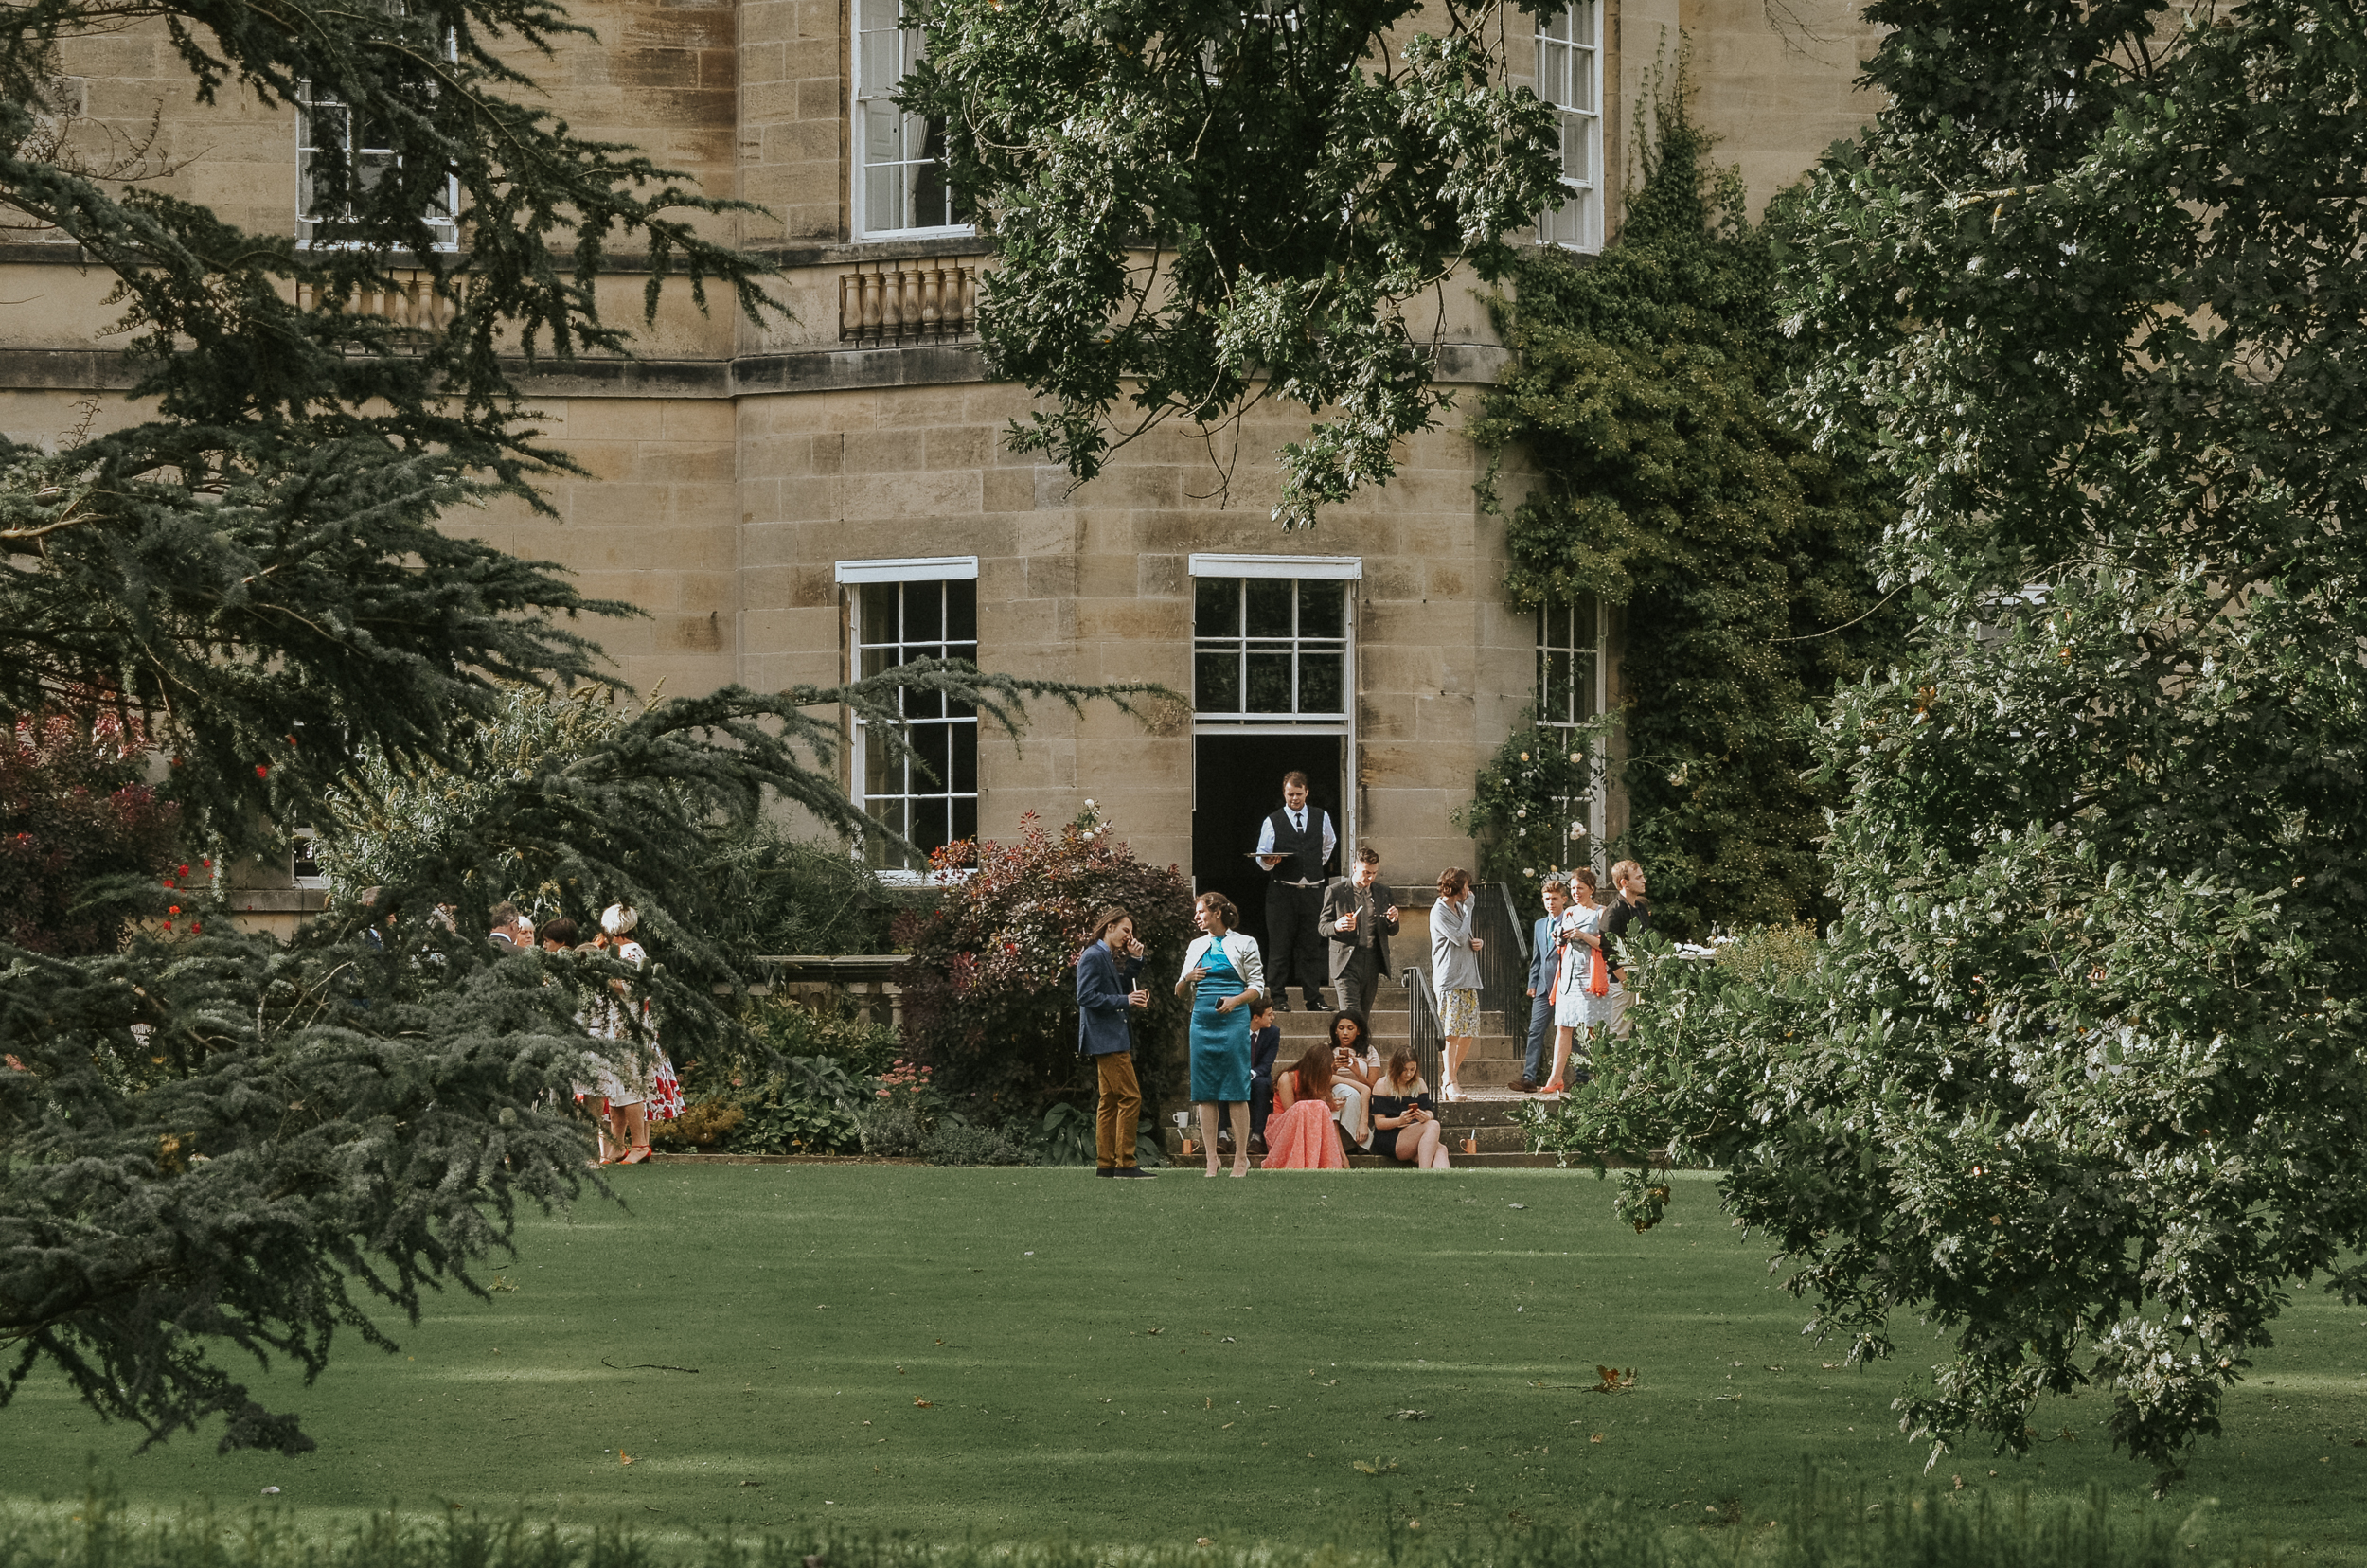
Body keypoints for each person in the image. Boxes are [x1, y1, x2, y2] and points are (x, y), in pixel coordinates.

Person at [1176, 891, 1264, 1178]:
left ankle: (1241, 1158)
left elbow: (1257, 986)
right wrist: (1187, 979)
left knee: (1236, 1087)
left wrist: (1235, 1001)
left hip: (1234, 1019)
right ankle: (1211, 1158)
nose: (1196, 917)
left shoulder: (1245, 943)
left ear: (1216, 913)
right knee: (1205, 1091)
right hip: (1201, 1021)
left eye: (1201, 912)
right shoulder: (1195, 946)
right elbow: (1178, 990)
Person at [1076, 905, 1154, 1179]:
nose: (1129, 936)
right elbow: (1085, 997)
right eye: (1125, 930)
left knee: (1109, 1101)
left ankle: (1106, 1165)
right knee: (1131, 1097)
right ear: (1110, 927)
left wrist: (1135, 960)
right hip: (1106, 1039)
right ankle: (1125, 1164)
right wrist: (1126, 1000)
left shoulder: (1104, 955)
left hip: (1107, 1037)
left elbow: (1120, 987)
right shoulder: (1093, 955)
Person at [1255, 770, 1335, 1012]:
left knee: (1311, 947)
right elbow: (1262, 855)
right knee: (1279, 947)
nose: (1294, 799)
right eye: (1290, 794)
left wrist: (1313, 864)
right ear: (1284, 793)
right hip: (1282, 893)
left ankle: (1314, 999)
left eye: (1298, 794)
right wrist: (1271, 862)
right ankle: (1278, 997)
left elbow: (1329, 843)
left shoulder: (1321, 817)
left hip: (1312, 891)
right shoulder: (1272, 821)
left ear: (1306, 792)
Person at [1544, 868, 1611, 1094]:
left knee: (1593, 1028)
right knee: (1563, 1026)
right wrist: (1558, 938)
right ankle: (1555, 1078)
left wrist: (1582, 935)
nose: (1576, 892)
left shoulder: (1600, 913)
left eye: (1580, 888)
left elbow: (1606, 945)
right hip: (1568, 976)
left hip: (1590, 976)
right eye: (1572, 888)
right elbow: (1561, 943)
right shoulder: (1569, 912)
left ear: (1591, 889)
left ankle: (1599, 1079)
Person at [1317, 846, 1399, 1019]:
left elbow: (1392, 931)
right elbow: (1322, 927)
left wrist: (1393, 920)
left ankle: (1360, 1047)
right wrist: (1337, 926)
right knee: (1351, 1015)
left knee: (1364, 1016)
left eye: (1374, 873)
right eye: (1366, 872)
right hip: (1346, 961)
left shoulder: (1383, 892)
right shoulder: (1335, 891)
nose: (1370, 877)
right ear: (1355, 867)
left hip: (1372, 959)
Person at [1430, 866, 1484, 1100]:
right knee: (1451, 1031)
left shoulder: (1459, 908)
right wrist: (1470, 910)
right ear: (1457, 888)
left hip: (1468, 976)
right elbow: (1458, 937)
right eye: (1466, 887)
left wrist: (1476, 942)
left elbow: (1464, 939)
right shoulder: (1439, 911)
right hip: (1450, 979)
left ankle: (1449, 1074)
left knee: (1469, 1031)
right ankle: (1451, 1081)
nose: (1469, 891)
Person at [1514, 876, 1570, 1093]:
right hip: (1544, 987)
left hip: (1565, 985)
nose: (1550, 903)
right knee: (1535, 1030)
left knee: (1569, 1033)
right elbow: (1537, 957)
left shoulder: (1570, 921)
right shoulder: (1540, 925)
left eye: (1554, 898)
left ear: (1564, 899)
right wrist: (1532, 982)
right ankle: (1529, 1077)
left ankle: (1583, 1077)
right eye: (1547, 898)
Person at [1262, 1043, 1350, 1169]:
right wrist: (1325, 1104)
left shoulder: (1317, 1081)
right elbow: (1292, 1114)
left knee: (1321, 1107)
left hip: (1309, 1127)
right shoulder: (1287, 1078)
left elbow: (1362, 1088)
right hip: (1283, 1127)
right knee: (1309, 1107)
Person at [1368, 1046, 1450, 1168]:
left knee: (1441, 1149)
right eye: (1404, 1070)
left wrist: (1425, 1116)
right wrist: (1399, 1121)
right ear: (1395, 1068)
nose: (1408, 1074)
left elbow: (1429, 1112)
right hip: (1390, 1137)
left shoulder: (1420, 1083)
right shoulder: (1382, 1084)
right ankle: (1424, 1172)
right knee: (1433, 1125)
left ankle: (1442, 1184)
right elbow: (1379, 1123)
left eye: (1412, 1069)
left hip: (1414, 1133)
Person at [1603, 860, 1652, 1034]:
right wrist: (1625, 980)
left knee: (1644, 1030)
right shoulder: (1613, 912)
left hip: (1642, 977)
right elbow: (1608, 950)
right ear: (1624, 882)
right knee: (1620, 1032)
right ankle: (1613, 1062)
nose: (1644, 880)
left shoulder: (1640, 908)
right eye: (1638, 877)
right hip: (1622, 981)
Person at [1324, 1009, 1377, 1156]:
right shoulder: (1327, 1050)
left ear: (1358, 1031)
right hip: (1336, 1093)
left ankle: (1351, 1145)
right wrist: (1333, 1068)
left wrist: (1358, 1073)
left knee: (1353, 1095)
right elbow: (1320, 1083)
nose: (1345, 1033)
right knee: (1347, 1093)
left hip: (1363, 1095)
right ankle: (1362, 1143)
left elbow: (1374, 1087)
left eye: (1350, 1028)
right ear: (1335, 1031)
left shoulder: (1369, 1051)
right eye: (1341, 1028)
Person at [1248, 999, 1281, 1150]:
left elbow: (1267, 1063)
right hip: (1237, 1072)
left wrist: (1251, 1074)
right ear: (1256, 1017)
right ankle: (1223, 1135)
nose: (1272, 1017)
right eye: (1269, 1014)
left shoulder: (1273, 1032)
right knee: (1223, 1081)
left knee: (1260, 1084)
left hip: (1259, 1074)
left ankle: (1256, 1136)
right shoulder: (1239, 1029)